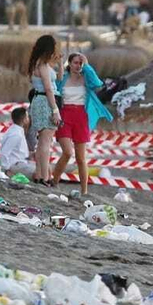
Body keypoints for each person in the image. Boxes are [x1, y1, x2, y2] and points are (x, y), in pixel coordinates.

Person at [51, 50, 112, 197]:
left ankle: (84, 190)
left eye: (80, 63)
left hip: (81, 116)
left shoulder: (86, 78)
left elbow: (98, 83)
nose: (78, 65)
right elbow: (55, 86)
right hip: (65, 115)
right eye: (76, 63)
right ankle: (54, 182)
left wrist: (87, 65)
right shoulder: (64, 78)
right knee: (67, 152)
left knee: (81, 157)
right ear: (70, 64)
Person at [26, 34, 61, 184]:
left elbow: (57, 79)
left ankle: (40, 174)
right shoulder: (43, 66)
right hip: (45, 102)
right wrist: (55, 110)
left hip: (38, 101)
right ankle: (45, 176)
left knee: (42, 141)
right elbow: (49, 88)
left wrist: (59, 64)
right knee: (46, 141)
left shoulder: (38, 64)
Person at [0, 106, 32, 174]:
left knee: (45, 169)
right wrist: (7, 169)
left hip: (21, 163)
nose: (29, 119)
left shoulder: (17, 130)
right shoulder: (16, 134)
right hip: (15, 165)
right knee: (40, 172)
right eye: (27, 117)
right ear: (24, 120)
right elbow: (4, 153)